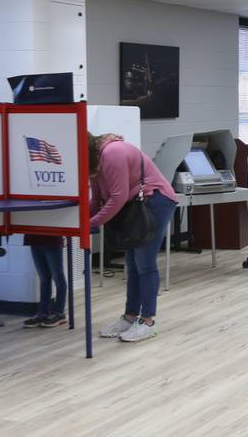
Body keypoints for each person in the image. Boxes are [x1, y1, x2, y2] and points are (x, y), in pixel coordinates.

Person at [90, 133, 178, 342]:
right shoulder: (93, 160)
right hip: (136, 205)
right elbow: (98, 198)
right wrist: (82, 221)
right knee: (132, 261)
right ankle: (130, 317)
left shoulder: (113, 153)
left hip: (155, 201)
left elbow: (118, 196)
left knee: (145, 263)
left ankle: (148, 321)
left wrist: (92, 223)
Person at [22, 235, 67, 328]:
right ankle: (42, 312)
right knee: (44, 278)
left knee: (58, 277)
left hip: (52, 239)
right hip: (34, 239)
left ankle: (59, 313)